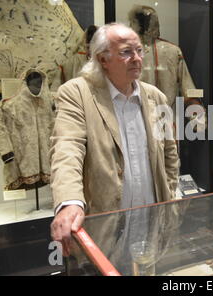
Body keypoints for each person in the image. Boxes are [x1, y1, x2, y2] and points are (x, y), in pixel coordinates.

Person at [50, 23, 179, 256]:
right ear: (102, 59)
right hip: (106, 224)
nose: (137, 58)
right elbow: (67, 148)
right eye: (126, 52)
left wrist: (168, 191)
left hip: (152, 219)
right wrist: (69, 202)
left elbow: (170, 152)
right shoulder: (76, 93)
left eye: (139, 51)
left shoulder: (156, 97)